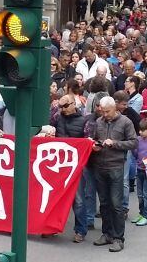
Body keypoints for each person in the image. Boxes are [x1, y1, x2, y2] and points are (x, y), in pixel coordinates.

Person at [89, 96, 138, 253]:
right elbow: (96, 139)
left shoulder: (125, 122)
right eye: (102, 112)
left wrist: (115, 143)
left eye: (107, 111)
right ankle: (107, 233)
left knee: (116, 204)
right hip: (100, 166)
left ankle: (118, 238)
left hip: (116, 166)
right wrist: (94, 145)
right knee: (103, 203)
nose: (105, 114)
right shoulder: (99, 122)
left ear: (115, 108)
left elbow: (134, 142)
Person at [55, 94, 89, 243]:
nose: (62, 109)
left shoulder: (83, 121)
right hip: (58, 164)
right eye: (60, 106)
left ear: (73, 104)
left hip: (76, 166)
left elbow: (88, 139)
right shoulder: (57, 117)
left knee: (79, 199)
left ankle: (81, 230)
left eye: (65, 106)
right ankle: (52, 227)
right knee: (55, 198)